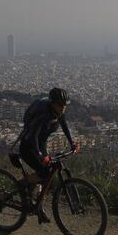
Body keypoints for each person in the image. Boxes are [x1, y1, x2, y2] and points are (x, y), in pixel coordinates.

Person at [17, 88, 79, 224]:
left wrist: (72, 143)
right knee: (44, 173)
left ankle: (37, 204)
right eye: (60, 105)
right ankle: (23, 184)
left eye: (65, 105)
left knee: (48, 175)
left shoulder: (59, 113)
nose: (63, 108)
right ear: (52, 104)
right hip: (29, 146)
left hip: (41, 143)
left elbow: (65, 126)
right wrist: (40, 155)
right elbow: (33, 136)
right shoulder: (44, 114)